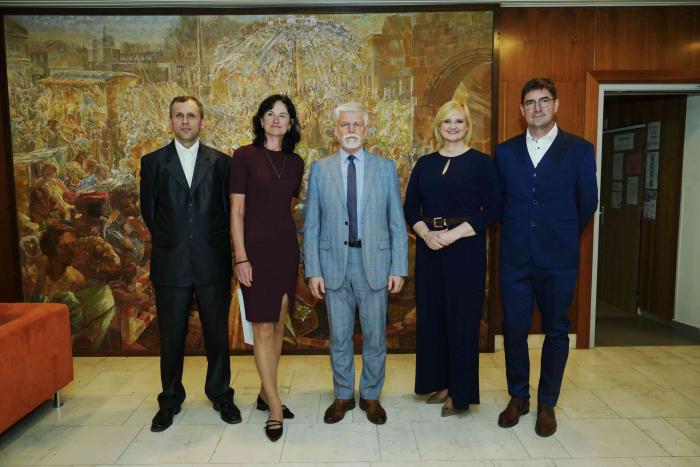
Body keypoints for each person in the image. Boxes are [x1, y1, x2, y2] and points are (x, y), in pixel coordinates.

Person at [495, 78, 598, 436]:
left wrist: (560, 233)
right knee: (514, 328)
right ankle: (518, 396)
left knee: (556, 330)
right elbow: (500, 202)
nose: (536, 107)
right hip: (515, 258)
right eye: (529, 102)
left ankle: (547, 403)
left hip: (558, 259)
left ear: (556, 105)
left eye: (543, 100)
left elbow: (587, 202)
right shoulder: (505, 152)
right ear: (521, 110)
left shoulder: (580, 150)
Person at [139, 96, 241, 432]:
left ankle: (221, 395)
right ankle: (170, 399)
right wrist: (176, 243)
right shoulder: (153, 163)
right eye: (179, 116)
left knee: (216, 335)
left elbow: (227, 212)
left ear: (202, 122)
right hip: (172, 263)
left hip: (212, 262)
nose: (185, 121)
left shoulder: (221, 163)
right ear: (170, 121)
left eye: (191, 116)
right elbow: (149, 212)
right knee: (171, 336)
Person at [304, 102, 408, 425]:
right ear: (335, 131)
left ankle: (371, 396)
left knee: (375, 336)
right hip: (333, 264)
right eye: (344, 125)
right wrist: (313, 270)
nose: (351, 130)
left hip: (374, 263)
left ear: (366, 129)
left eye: (357, 125)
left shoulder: (385, 168)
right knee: (339, 336)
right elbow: (312, 224)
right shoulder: (320, 169)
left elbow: (396, 221)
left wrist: (398, 267)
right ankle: (344, 395)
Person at [404, 100, 501, 417]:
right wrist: (426, 234)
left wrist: (454, 234)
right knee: (432, 318)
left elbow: (494, 209)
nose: (453, 127)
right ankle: (440, 383)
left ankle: (459, 393)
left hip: (465, 250)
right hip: (430, 250)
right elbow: (410, 207)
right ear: (439, 126)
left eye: (459, 121)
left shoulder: (482, 163)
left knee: (462, 321)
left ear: (467, 126)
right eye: (448, 121)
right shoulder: (425, 164)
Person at [229, 94, 304, 442]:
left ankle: (264, 392)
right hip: (254, 253)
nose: (276, 119)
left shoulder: (296, 162)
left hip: (285, 251)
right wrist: (240, 257)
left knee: (276, 327)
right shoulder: (244, 156)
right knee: (260, 327)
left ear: (291, 124)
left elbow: (285, 208)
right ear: (261, 120)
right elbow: (237, 211)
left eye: (283, 115)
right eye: (270, 113)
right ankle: (275, 406)